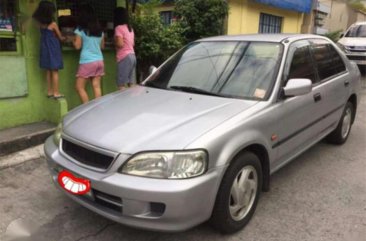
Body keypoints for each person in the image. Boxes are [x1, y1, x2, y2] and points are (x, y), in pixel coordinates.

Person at [32, 0, 65, 99]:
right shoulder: (53, 24)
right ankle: (56, 92)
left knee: (48, 70)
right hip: (53, 48)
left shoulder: (39, 24)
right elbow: (60, 37)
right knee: (55, 70)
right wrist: (66, 38)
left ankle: (50, 91)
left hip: (45, 47)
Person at [73, 4, 105, 104]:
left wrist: (72, 41)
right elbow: (102, 47)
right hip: (99, 61)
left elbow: (77, 46)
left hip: (87, 61)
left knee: (79, 87)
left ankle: (87, 109)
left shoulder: (80, 30)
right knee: (96, 86)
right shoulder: (100, 31)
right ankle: (98, 109)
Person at [114, 7, 136, 90]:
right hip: (132, 56)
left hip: (124, 57)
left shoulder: (118, 28)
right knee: (132, 83)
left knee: (121, 85)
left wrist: (114, 42)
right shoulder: (130, 28)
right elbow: (132, 43)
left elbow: (120, 44)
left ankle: (123, 102)